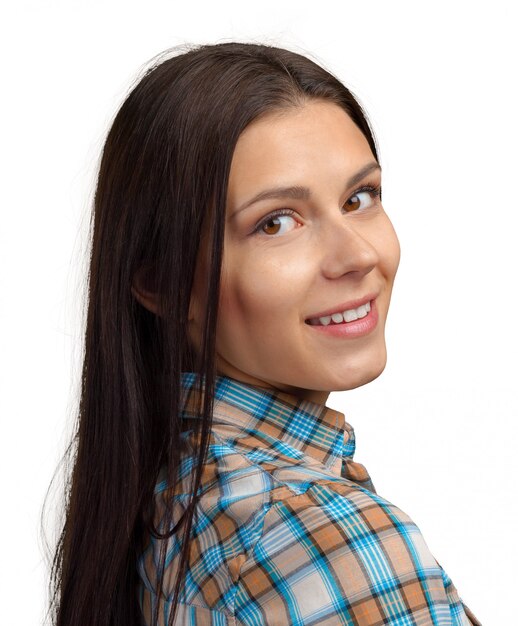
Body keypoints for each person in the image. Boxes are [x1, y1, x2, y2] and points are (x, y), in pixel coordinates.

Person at [48, 42, 481, 626]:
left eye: (360, 198)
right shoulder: (319, 534)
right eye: (276, 223)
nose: (356, 255)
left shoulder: (166, 497)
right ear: (157, 281)